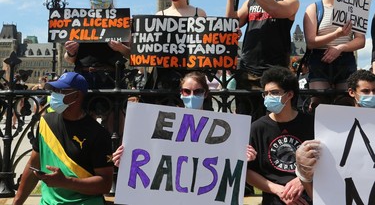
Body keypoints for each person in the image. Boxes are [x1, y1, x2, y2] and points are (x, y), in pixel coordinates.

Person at [113, 71, 257, 166]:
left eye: (198, 91)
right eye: (186, 91)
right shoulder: (164, 123)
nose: (192, 95)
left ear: (206, 94)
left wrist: (244, 157)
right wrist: (125, 162)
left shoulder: (221, 126)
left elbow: (228, 160)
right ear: (181, 93)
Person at [12, 72, 113, 205]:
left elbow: (105, 184)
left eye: (61, 90)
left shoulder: (98, 134)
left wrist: (66, 182)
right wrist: (16, 203)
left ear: (76, 95)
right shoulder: (46, 122)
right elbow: (33, 165)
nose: (54, 94)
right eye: (54, 90)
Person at [224, 0, 299, 120]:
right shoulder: (251, 1)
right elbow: (232, 22)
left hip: (274, 71)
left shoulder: (290, 0)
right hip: (248, 70)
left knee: (272, 119)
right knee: (245, 119)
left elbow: (275, 10)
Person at [295, 69, 375, 199]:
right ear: (351, 92)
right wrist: (302, 171)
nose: (371, 95)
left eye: (374, 91)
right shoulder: (333, 126)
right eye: (366, 91)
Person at [246, 66, 314, 205]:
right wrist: (279, 191)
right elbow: (248, 172)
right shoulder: (257, 128)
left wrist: (302, 180)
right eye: (266, 93)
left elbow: (324, 161)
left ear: (289, 94)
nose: (269, 97)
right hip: (273, 199)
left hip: (308, 197)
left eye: (275, 93)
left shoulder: (311, 123)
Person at [303, 0, 365, 111]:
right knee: (319, 102)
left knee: (346, 102)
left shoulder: (355, 7)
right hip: (319, 59)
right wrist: (336, 34)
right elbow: (311, 41)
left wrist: (340, 48)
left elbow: (360, 40)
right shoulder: (313, 8)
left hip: (346, 59)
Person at [64, 0, 130, 89]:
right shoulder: (78, 20)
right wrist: (70, 52)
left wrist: (120, 48)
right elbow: (69, 59)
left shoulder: (121, 21)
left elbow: (132, 54)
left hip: (112, 79)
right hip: (83, 78)